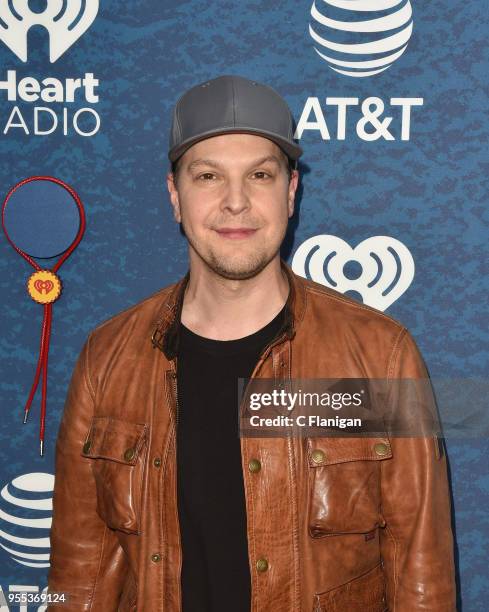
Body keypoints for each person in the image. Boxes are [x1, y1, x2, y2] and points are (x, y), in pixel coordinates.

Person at [47, 75, 457, 611]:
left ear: (290, 191)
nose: (235, 202)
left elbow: (421, 573)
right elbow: (78, 573)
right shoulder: (107, 358)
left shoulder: (381, 355)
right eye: (209, 176)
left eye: (260, 175)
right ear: (175, 195)